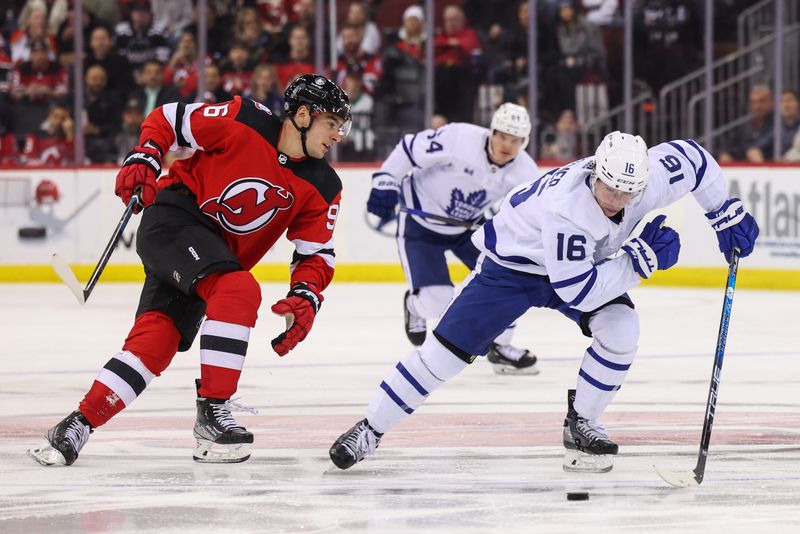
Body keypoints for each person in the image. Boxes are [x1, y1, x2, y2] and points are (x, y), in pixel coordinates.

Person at [332, 131, 759, 473]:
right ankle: (370, 428)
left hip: (579, 267)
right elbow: (580, 291)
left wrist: (722, 212)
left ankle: (583, 421)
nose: (617, 200)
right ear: (596, 171)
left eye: (629, 192)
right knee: (443, 355)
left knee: (621, 330)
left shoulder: (644, 182)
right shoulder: (568, 210)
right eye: (609, 188)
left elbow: (695, 159)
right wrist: (639, 261)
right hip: (510, 270)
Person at [27, 74, 352, 467]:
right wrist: (146, 155)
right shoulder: (243, 119)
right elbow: (168, 118)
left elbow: (315, 254)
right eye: (332, 123)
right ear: (302, 115)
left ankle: (74, 425)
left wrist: (306, 296)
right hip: (175, 221)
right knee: (239, 290)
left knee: (154, 346)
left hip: (210, 261)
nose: (338, 135)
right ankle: (213, 412)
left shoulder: (324, 185)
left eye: (341, 126)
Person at [366, 103, 540, 375]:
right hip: (421, 224)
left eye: (515, 140)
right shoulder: (459, 138)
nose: (507, 145)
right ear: (492, 131)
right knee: (437, 301)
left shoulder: (526, 172)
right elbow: (409, 149)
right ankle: (414, 305)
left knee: (512, 279)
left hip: (468, 228)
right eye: (503, 136)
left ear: (524, 142)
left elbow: (532, 215)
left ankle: (500, 347)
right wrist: (385, 180)